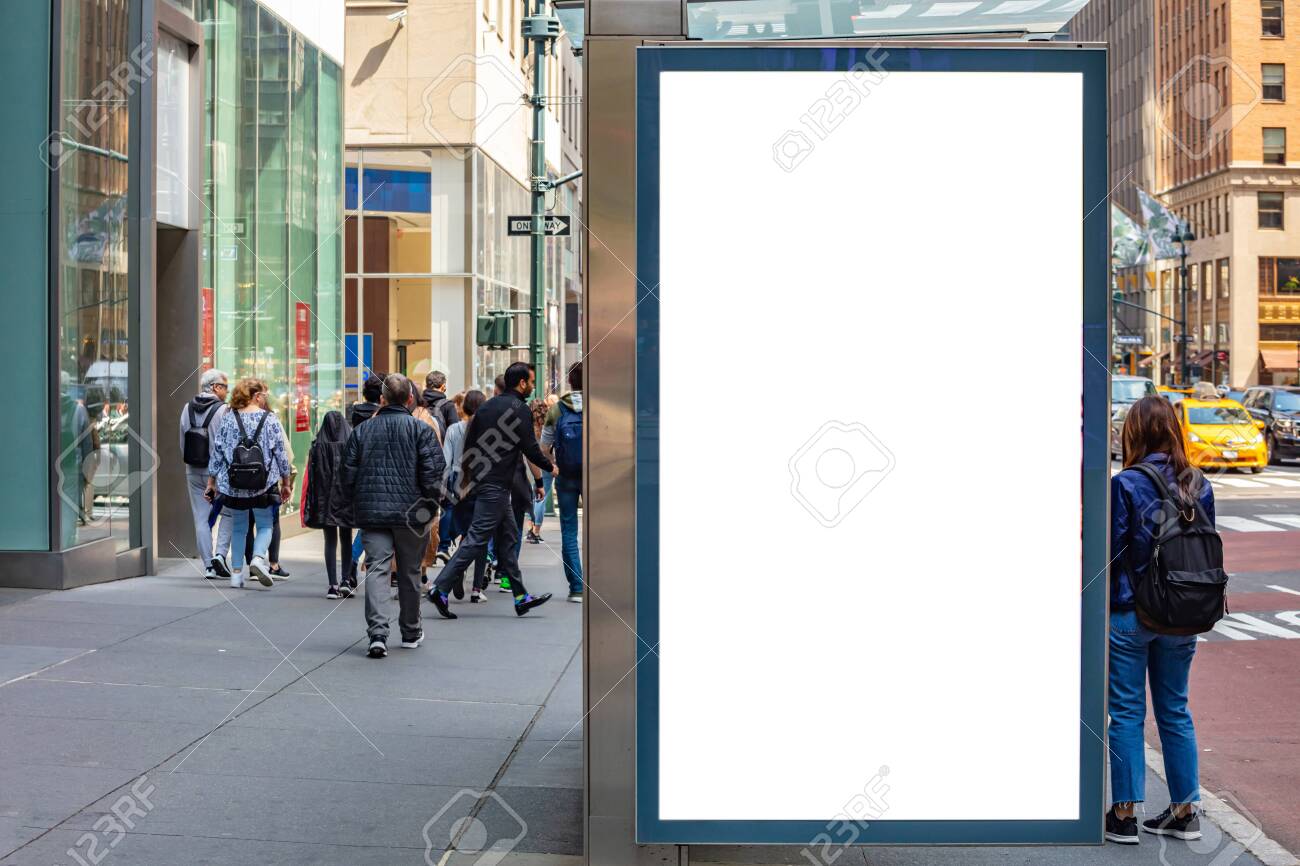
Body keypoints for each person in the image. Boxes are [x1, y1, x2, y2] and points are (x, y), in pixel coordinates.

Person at [1106, 395, 1214, 845]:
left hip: (1132, 612)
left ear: (1134, 432)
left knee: (1127, 711)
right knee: (1175, 710)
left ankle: (1126, 816)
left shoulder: (1127, 483)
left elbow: (1112, 552)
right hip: (1184, 613)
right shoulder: (1199, 482)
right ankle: (1185, 811)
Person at [429, 362, 553, 619]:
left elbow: (469, 445)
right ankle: (439, 588)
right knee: (476, 539)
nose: (531, 386)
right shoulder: (520, 409)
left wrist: (466, 481)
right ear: (521, 383)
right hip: (496, 487)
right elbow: (530, 447)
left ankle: (521, 597)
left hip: (484, 483)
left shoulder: (485, 408)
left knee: (508, 538)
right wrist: (551, 466)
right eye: (530, 382)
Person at [339, 374, 445, 658]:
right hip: (412, 516)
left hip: (372, 513)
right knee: (410, 572)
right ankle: (411, 631)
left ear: (382, 399)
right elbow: (434, 475)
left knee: (377, 569)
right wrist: (431, 507)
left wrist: (353, 504)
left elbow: (346, 475)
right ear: (410, 399)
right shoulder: (420, 430)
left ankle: (377, 634)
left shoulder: (362, 431)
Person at [205, 378, 291, 589]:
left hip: (233, 484)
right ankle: (258, 559)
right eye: (265, 395)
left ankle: (236, 575)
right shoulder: (269, 419)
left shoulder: (228, 418)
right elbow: (280, 454)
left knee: (239, 527)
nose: (265, 399)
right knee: (265, 525)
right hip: (263, 483)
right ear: (256, 396)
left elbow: (217, 452)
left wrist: (211, 482)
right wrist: (286, 482)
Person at [442, 389, 491, 601]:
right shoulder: (488, 430)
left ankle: (457, 569)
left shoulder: (453, 429)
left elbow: (446, 460)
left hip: (456, 482)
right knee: (480, 535)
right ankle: (476, 589)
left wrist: (444, 488)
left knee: (464, 532)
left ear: (463, 407)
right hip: (479, 484)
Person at [179, 368, 228, 578]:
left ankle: (208, 566)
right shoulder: (223, 410)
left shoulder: (186, 408)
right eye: (225, 386)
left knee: (200, 518)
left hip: (193, 469)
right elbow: (226, 444)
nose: (227, 391)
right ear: (215, 387)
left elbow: (182, 442)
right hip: (217, 473)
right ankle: (220, 555)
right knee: (230, 513)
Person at [541, 361, 583, 601]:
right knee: (599, 530)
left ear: (569, 381)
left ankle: (577, 587)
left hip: (566, 475)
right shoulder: (601, 403)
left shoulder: (557, 409)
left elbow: (544, 446)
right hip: (595, 475)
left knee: (569, 530)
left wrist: (553, 466)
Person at [303, 410, 355, 599]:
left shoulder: (317, 446)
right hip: (346, 499)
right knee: (346, 538)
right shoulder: (350, 444)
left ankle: (332, 584)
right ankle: (346, 580)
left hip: (324, 500)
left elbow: (312, 478)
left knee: (330, 540)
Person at [524, 399, 553, 545]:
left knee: (532, 497)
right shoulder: (548, 426)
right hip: (546, 464)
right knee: (542, 497)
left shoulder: (527, 426)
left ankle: (530, 529)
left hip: (531, 464)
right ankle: (536, 531)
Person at [421, 370, 462, 438]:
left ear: (426, 386)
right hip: (440, 447)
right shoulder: (448, 405)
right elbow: (455, 434)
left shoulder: (419, 404)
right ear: (443, 387)